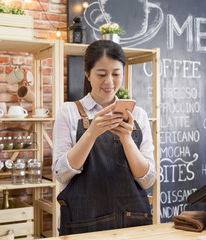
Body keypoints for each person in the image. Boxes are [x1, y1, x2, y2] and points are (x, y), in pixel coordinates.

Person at [52, 40, 157, 235]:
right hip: (82, 227)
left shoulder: (138, 115)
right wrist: (91, 134)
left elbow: (148, 180)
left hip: (132, 225)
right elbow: (61, 173)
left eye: (116, 74)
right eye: (101, 74)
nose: (109, 82)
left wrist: (126, 139)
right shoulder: (69, 112)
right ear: (87, 74)